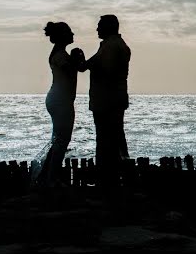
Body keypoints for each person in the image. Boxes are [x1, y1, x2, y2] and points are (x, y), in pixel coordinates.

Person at [79, 14, 130, 186]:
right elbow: (86, 66)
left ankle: (108, 179)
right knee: (113, 138)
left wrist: (89, 65)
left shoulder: (111, 47)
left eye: (99, 25)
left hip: (108, 101)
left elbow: (106, 71)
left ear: (109, 27)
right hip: (110, 100)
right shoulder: (108, 46)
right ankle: (113, 177)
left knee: (107, 140)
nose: (97, 29)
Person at [41, 21, 80, 187]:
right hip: (60, 101)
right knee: (62, 140)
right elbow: (71, 71)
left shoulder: (61, 54)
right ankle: (51, 179)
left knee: (58, 140)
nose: (73, 35)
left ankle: (47, 175)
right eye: (70, 32)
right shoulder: (60, 56)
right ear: (63, 36)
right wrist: (77, 58)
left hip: (58, 99)